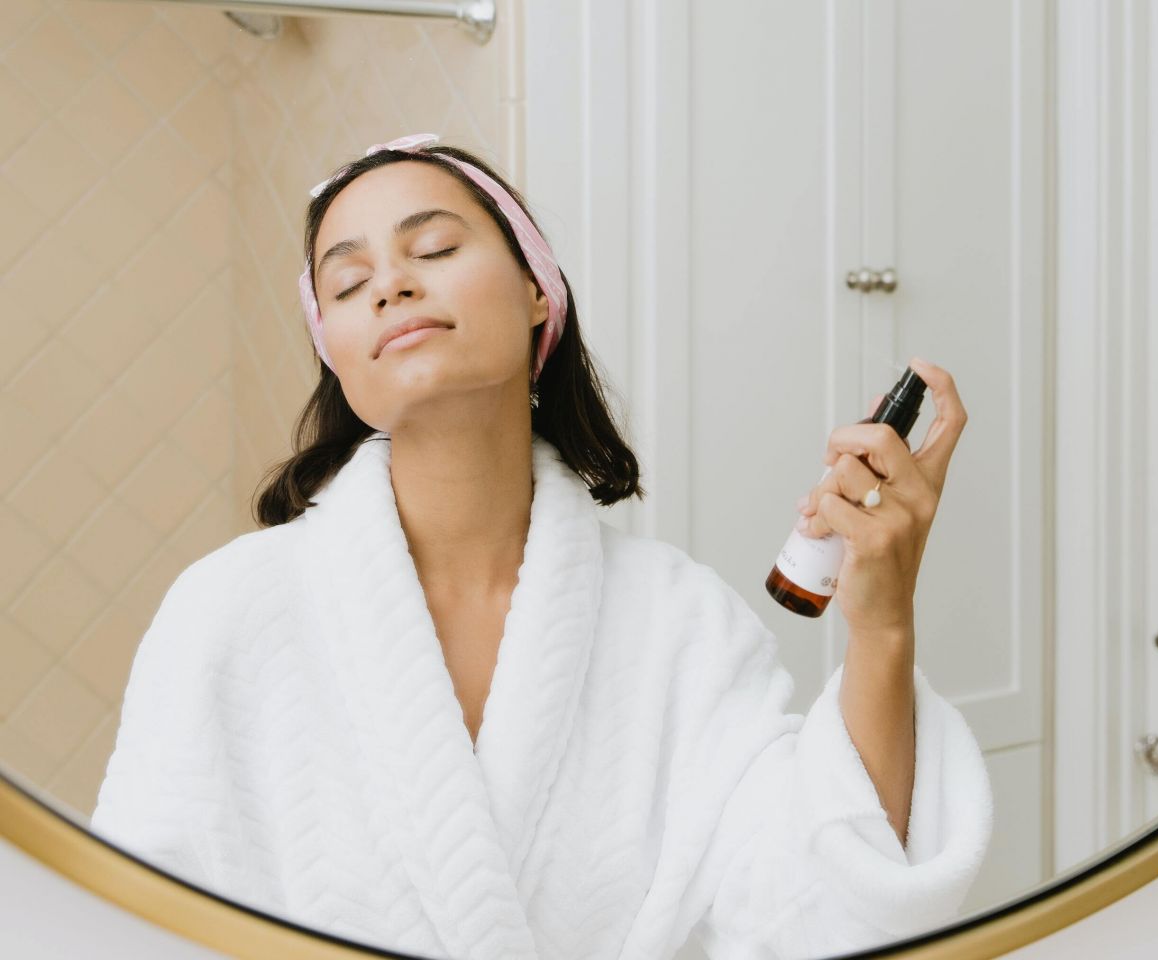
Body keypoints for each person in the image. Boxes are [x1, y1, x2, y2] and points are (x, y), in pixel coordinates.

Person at [91, 134, 993, 960]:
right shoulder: (226, 613)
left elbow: (813, 908)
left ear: (537, 291)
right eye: (346, 282)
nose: (392, 284)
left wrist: (880, 625)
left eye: (435, 249)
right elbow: (132, 927)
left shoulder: (680, 624)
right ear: (336, 351)